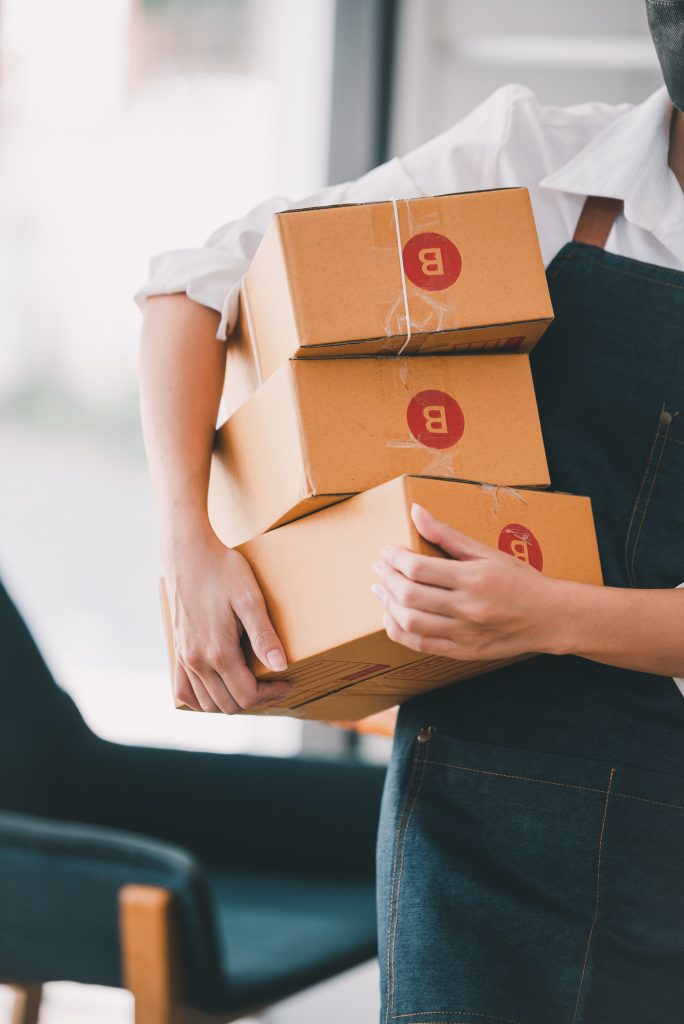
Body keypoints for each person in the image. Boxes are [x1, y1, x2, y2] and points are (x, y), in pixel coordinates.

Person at [135, 3, 684, 1019]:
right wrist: (190, 538)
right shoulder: (540, 162)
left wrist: (550, 610)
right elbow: (197, 282)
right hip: (474, 800)